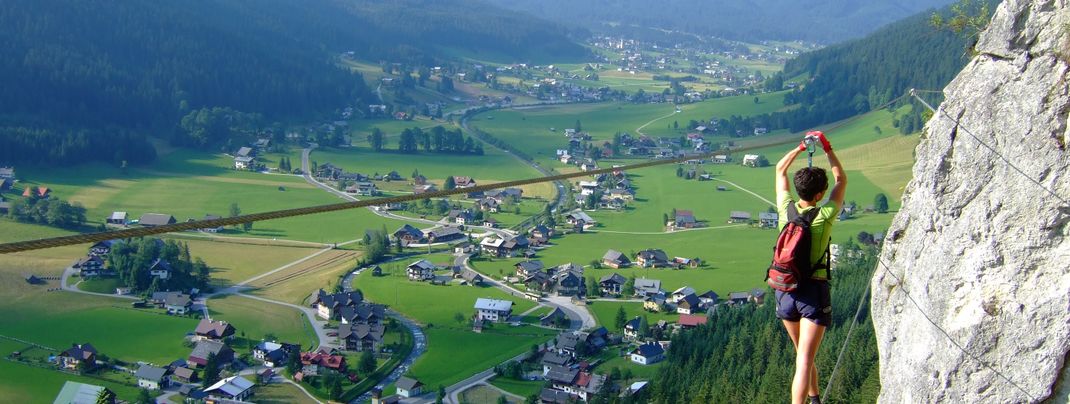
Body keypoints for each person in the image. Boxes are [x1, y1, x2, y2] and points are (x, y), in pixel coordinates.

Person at [773, 130, 846, 404]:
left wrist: (802, 147)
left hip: (784, 290)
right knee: (805, 360)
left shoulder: (785, 209)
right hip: (812, 293)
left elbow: (780, 169)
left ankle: (814, 398)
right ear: (820, 194)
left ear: (799, 189)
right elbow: (841, 179)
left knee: (803, 354)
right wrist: (826, 147)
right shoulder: (824, 215)